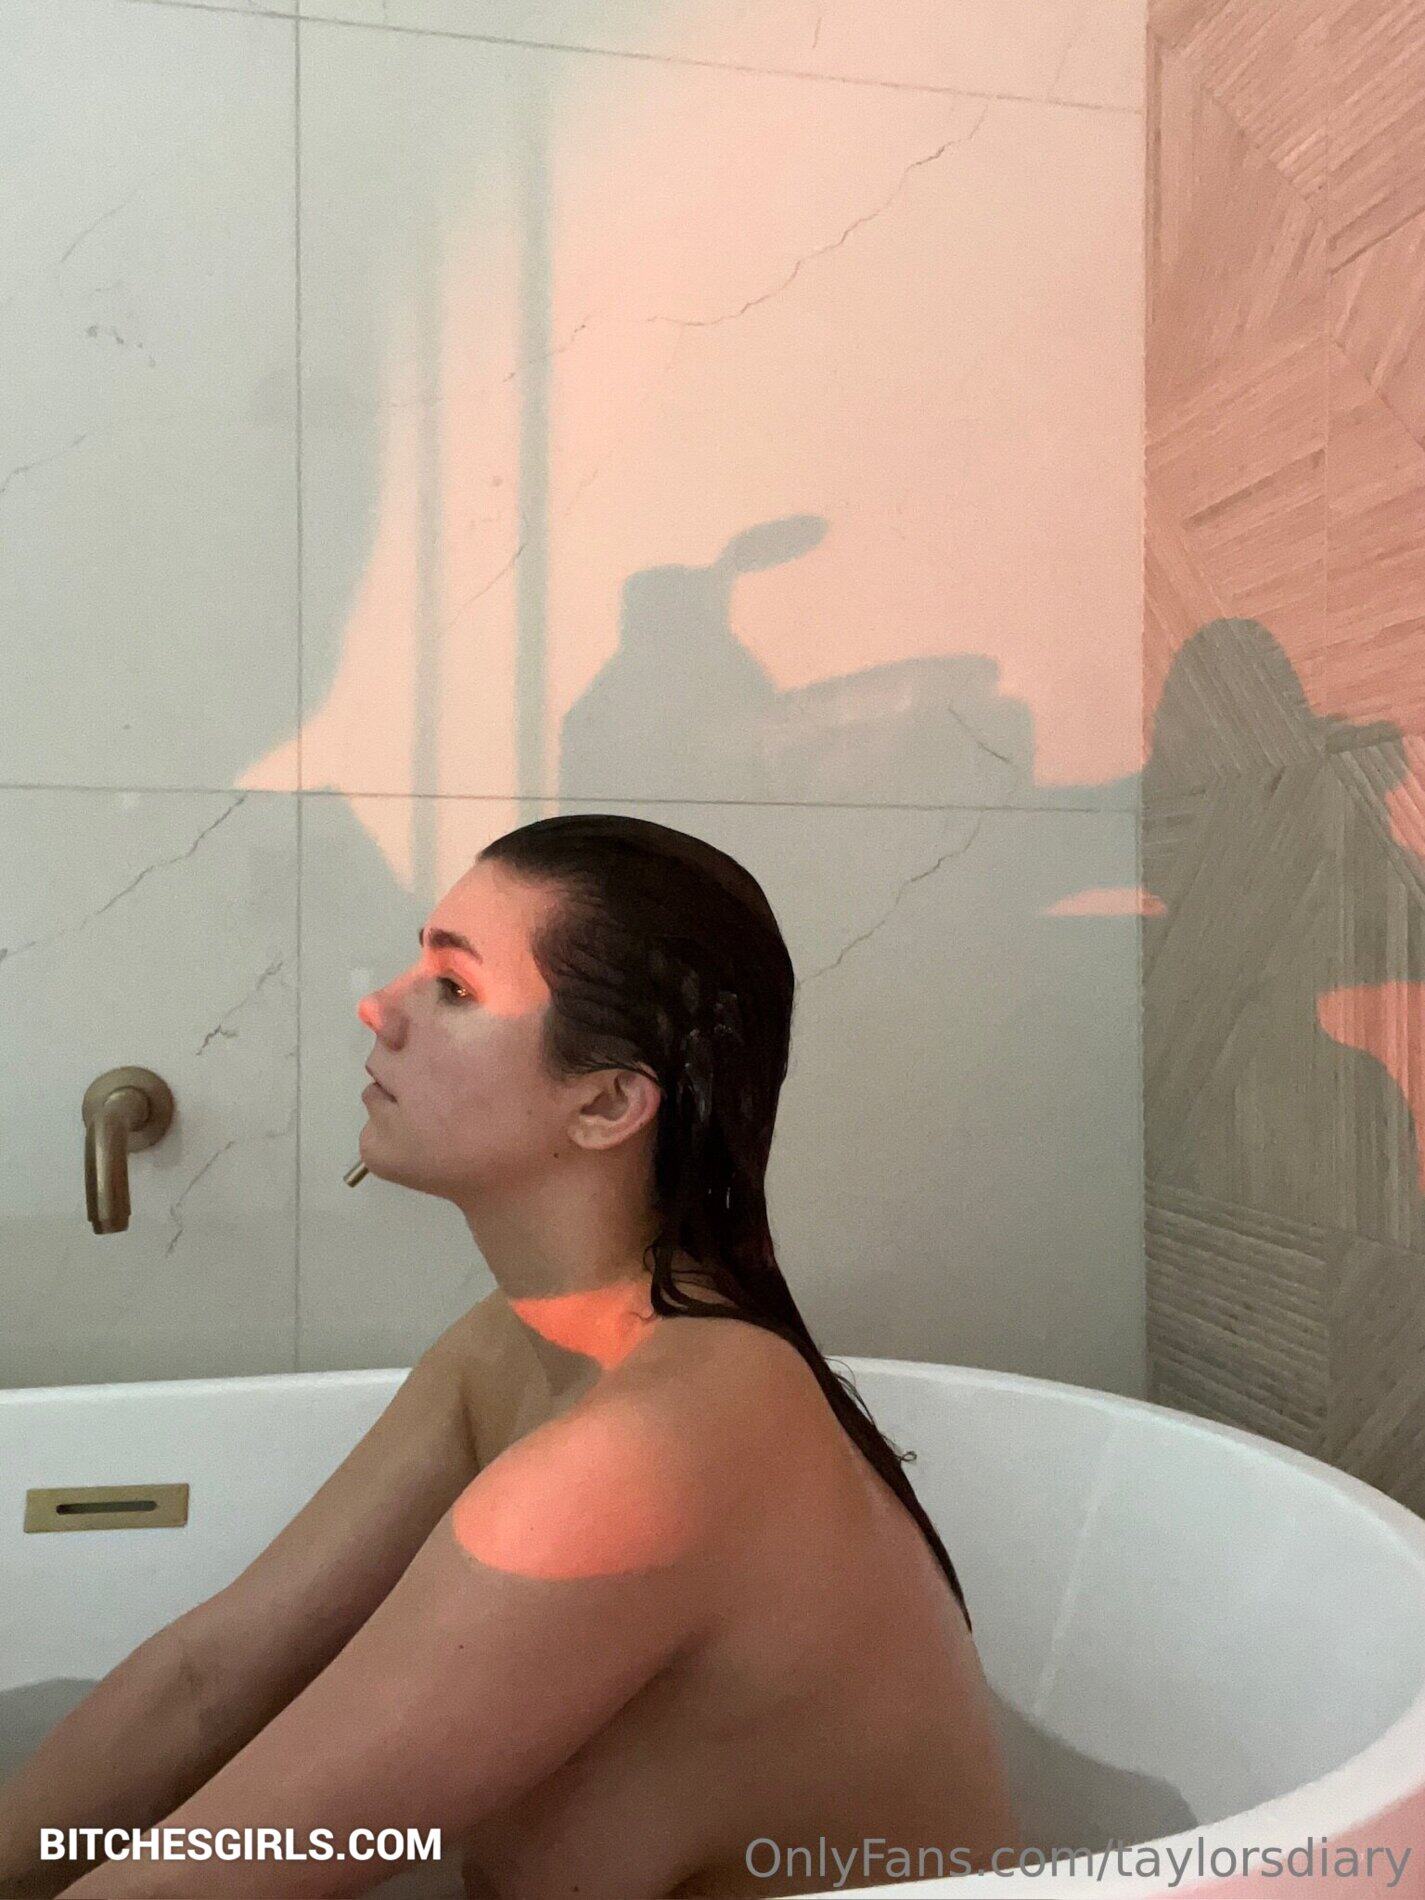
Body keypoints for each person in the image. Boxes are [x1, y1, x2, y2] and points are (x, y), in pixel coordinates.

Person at [2, 814, 1021, 1898]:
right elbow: (208, 1683)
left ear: (606, 1102)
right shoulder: (512, 1348)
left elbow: (217, 1875)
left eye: (453, 987)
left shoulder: (649, 1451)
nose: (379, 1005)